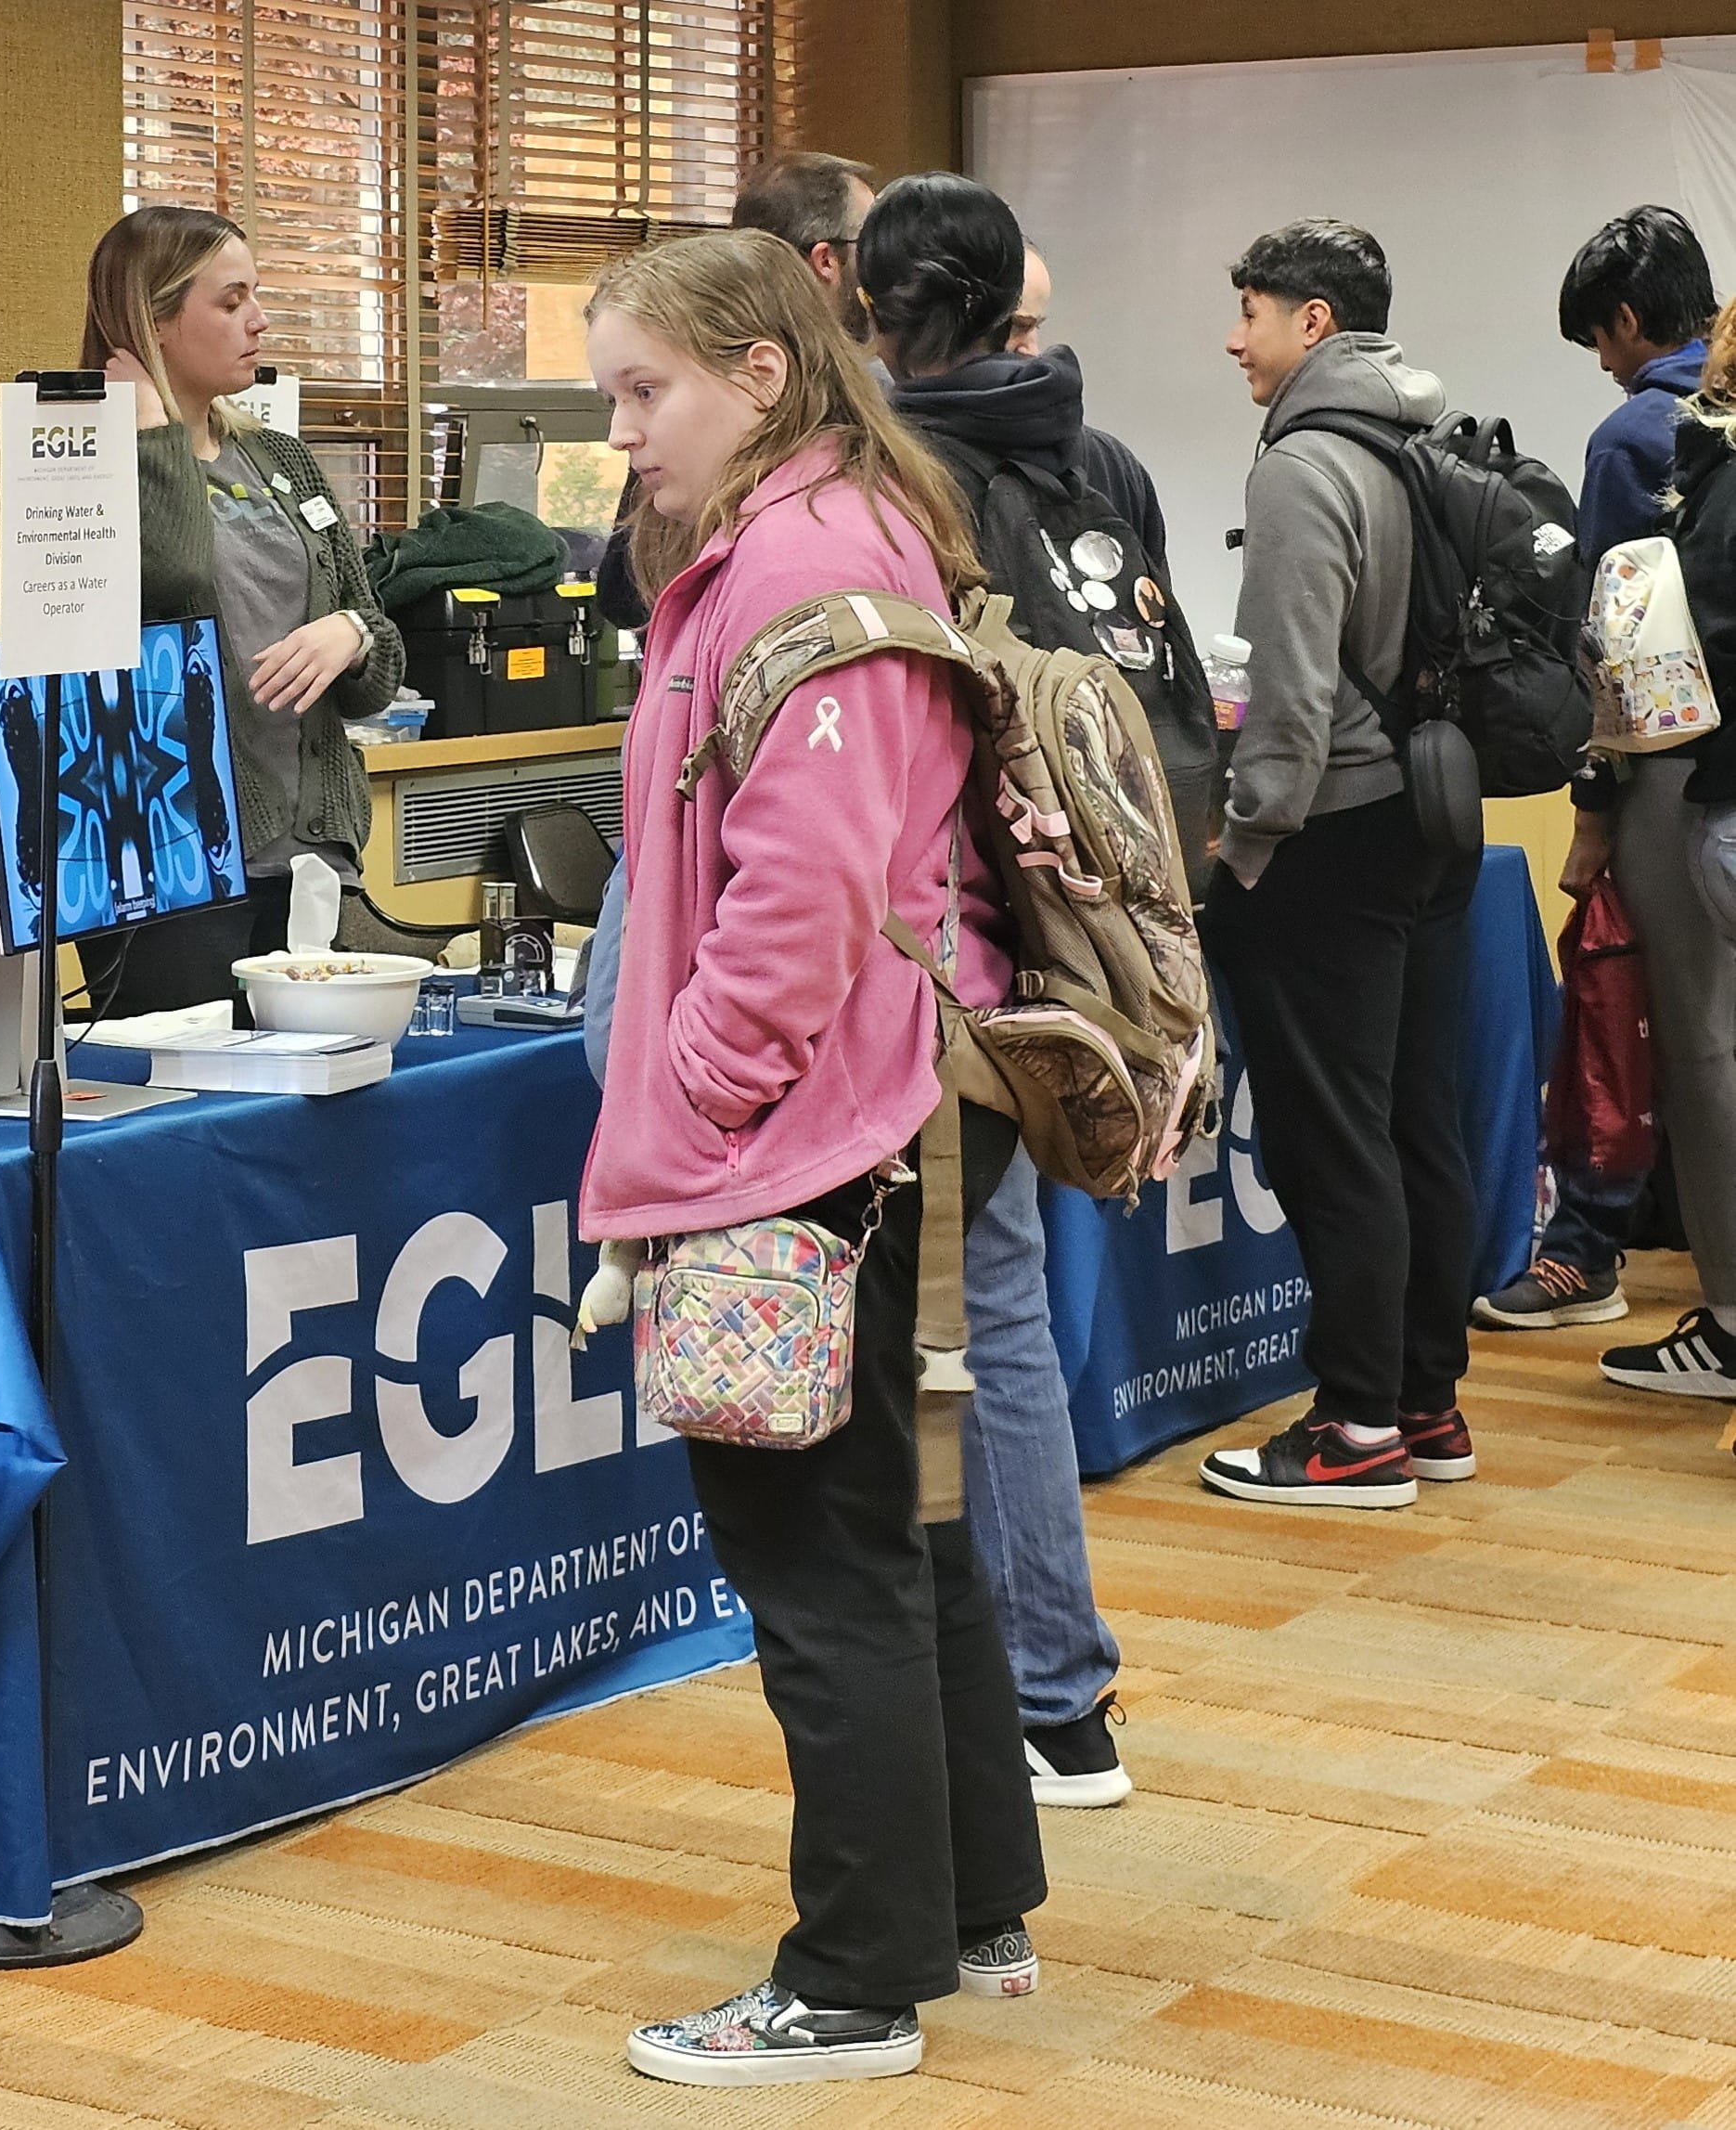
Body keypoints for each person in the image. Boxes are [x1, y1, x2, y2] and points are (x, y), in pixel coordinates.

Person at [582, 227, 1046, 2085]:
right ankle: (961, 1903)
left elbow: (804, 897)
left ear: (758, 374)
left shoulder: (805, 555)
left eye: (645, 390)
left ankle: (850, 1979)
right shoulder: (827, 528)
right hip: (857, 1115)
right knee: (896, 1530)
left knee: (817, 1554)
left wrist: (691, 1118)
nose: (623, 434)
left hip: (808, 1138)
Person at [859, 173, 1146, 1806]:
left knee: (965, 1325)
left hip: (951, 952)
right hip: (1074, 940)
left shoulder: (904, 475)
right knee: (1006, 1315)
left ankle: (1029, 1694)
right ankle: (1051, 1695)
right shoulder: (1089, 458)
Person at [1196, 220, 1481, 1510]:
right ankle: (1425, 1397)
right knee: (1416, 1120)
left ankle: (1357, 1425)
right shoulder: (1425, 431)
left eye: (1250, 309)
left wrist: (1242, 841)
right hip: (1430, 817)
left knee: (1331, 1139)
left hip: (1332, 833)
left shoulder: (1306, 464)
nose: (1234, 335)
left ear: (1314, 322)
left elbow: (1291, 702)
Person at [1476, 206, 1717, 1333]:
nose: (1608, 367)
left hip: (1669, 779)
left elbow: (1618, 642)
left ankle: (1584, 1252)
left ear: (1626, 322)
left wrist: (1591, 807)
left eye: (1601, 343)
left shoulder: (1635, 437)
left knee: (1623, 1009)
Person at [78, 205, 403, 1016]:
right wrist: (151, 435)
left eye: (254, 295)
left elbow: (379, 673)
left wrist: (351, 633)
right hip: (174, 858)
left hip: (308, 855)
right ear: (152, 318)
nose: (258, 320)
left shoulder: (279, 457)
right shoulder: (83, 459)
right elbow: (172, 583)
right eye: (230, 302)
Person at [1569, 297, 1736, 1400]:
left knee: (1712, 1047)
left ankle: (1729, 1323)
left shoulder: (1663, 444)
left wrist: (1595, 792)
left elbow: (1647, 658)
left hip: (1701, 784)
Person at [598, 150, 877, 632]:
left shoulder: (819, 539)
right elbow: (632, 586)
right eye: (637, 393)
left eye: (644, 392)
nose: (622, 434)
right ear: (826, 260)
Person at [1003, 244, 1169, 573]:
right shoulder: (914, 465)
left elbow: (1155, 611)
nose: (1032, 351)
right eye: (1015, 327)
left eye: (1035, 327)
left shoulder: (1113, 466)